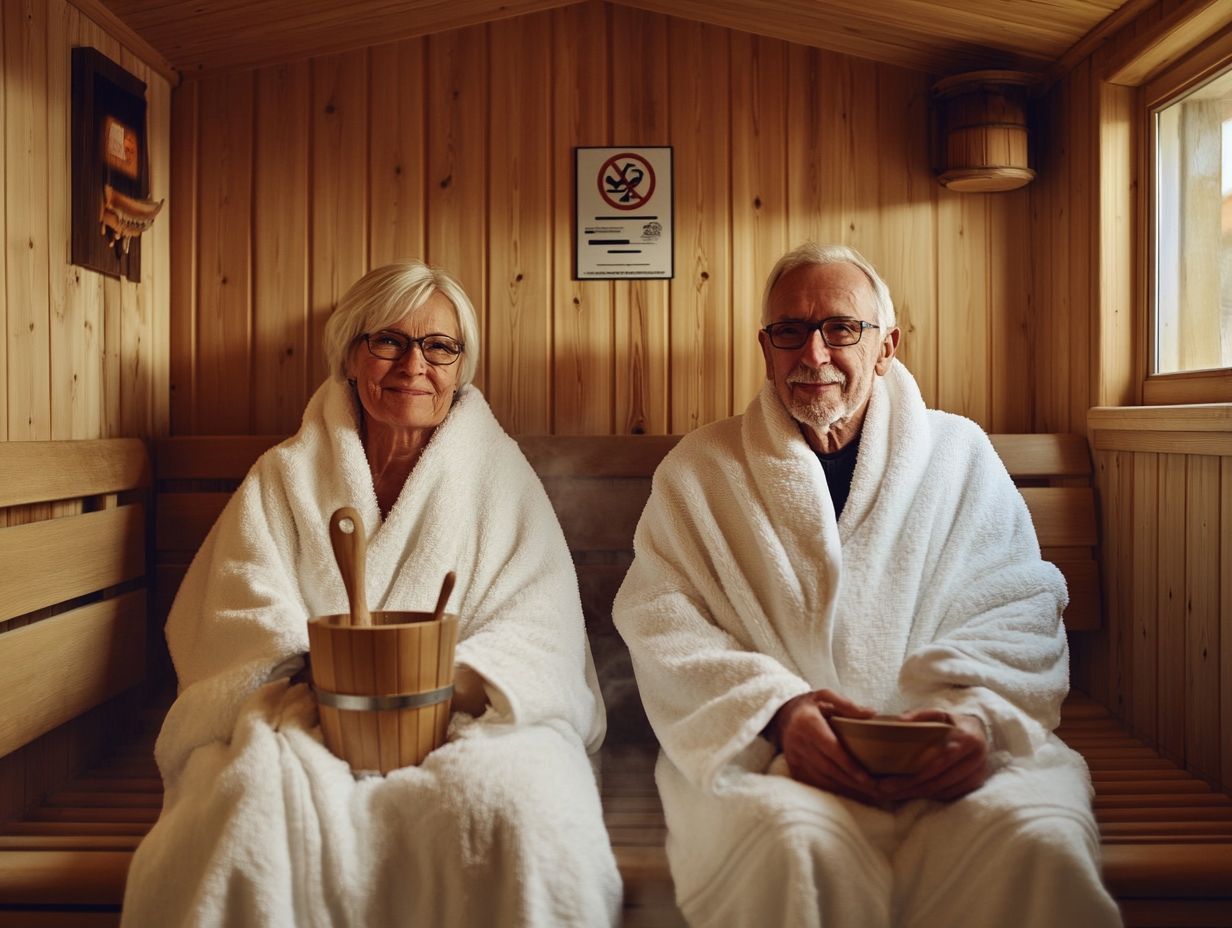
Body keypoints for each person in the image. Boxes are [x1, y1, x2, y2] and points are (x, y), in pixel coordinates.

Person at [612, 243, 1122, 928]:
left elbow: (1018, 603)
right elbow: (660, 617)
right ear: (767, 348)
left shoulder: (957, 455)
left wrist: (975, 715)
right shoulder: (702, 470)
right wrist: (778, 712)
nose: (814, 354)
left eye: (842, 329)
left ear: (887, 348)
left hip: (949, 748)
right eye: (789, 331)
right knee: (794, 846)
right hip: (775, 758)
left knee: (1033, 838)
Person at [122, 262, 621, 927]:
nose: (414, 363)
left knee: (518, 803)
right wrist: (322, 673)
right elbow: (234, 607)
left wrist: (452, 680)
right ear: (352, 356)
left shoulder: (502, 478)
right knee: (247, 801)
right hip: (307, 709)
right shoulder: (285, 476)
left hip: (463, 714)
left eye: (439, 346)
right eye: (389, 340)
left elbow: (540, 628)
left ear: (460, 367)